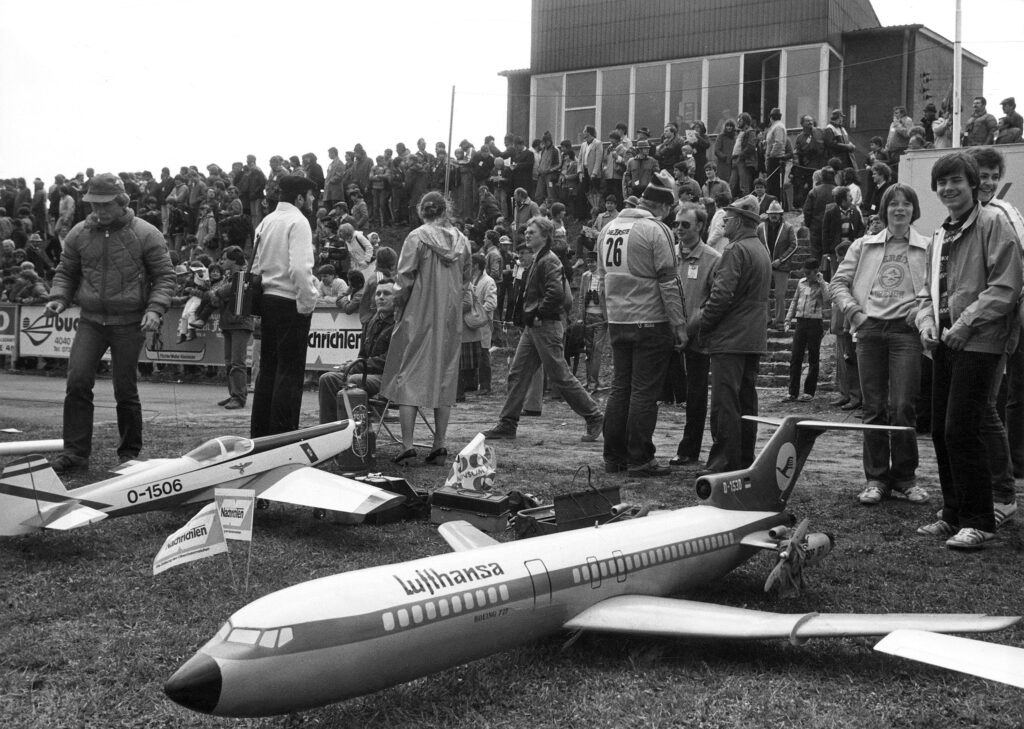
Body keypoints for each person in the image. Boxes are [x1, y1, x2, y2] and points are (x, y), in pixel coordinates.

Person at [915, 152, 1023, 550]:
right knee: (941, 431)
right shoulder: (939, 234)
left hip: (980, 342)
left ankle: (980, 520)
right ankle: (953, 513)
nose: (948, 189)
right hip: (945, 342)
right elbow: (926, 293)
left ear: (973, 184)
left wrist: (964, 325)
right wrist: (927, 324)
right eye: (942, 182)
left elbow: (1006, 287)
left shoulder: (994, 223)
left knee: (964, 428)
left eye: (956, 181)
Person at [45, 173, 175, 473]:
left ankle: (129, 454)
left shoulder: (147, 233)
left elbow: (165, 277)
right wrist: (59, 298)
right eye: (94, 204)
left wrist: (155, 309)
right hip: (91, 320)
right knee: (77, 382)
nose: (99, 210)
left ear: (122, 202)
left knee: (125, 388)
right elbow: (66, 272)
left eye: (105, 205)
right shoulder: (79, 233)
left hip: (129, 322)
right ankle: (75, 453)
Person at [829, 183, 930, 506]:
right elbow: (838, 283)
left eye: (906, 203)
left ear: (914, 209)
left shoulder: (927, 247)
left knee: (902, 406)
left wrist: (921, 310)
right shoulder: (863, 245)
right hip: (869, 330)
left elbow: (936, 288)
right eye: (893, 204)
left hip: (906, 333)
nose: (900, 209)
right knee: (873, 408)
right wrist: (855, 313)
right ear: (884, 210)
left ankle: (905, 478)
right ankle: (876, 479)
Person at [483, 216, 603, 442]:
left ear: (545, 236)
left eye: (532, 232)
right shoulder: (540, 258)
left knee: (560, 375)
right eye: (527, 231)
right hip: (535, 327)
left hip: (545, 325)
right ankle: (507, 423)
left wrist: (539, 313)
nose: (527, 235)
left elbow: (556, 293)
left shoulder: (548, 260)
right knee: (518, 373)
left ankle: (594, 415)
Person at [598, 173, 687, 476]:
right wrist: (679, 323)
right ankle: (640, 458)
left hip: (618, 319)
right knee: (643, 392)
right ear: (664, 206)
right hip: (650, 319)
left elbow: (601, 278)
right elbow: (669, 282)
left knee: (619, 388)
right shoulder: (656, 229)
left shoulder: (608, 228)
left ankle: (614, 456)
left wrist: (608, 315)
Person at [380, 191, 472, 464]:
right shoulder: (463, 241)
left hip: (417, 315)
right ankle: (439, 444)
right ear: (445, 210)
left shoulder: (416, 237)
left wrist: (397, 306)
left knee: (408, 376)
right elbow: (466, 279)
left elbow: (404, 278)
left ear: (422, 211)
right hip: (449, 318)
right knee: (445, 376)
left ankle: (408, 445)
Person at [688, 194, 771, 474]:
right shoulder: (760, 249)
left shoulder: (735, 250)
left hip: (731, 338)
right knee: (746, 402)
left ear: (740, 221)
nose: (723, 222)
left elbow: (721, 295)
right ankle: (744, 460)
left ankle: (723, 462)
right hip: (752, 338)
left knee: (725, 403)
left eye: (728, 218)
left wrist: (704, 325)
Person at [967, 145, 1024, 515]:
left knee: (986, 407)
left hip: (996, 323)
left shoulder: (1002, 213)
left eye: (993, 176)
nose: (987, 182)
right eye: (982, 175)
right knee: (977, 409)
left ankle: (1002, 493)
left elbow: (1015, 273)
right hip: (972, 324)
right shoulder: (969, 216)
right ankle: (984, 488)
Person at [249, 175, 319, 437]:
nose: (312, 200)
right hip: (290, 301)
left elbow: (256, 266)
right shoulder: (298, 222)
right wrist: (307, 303)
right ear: (299, 198)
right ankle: (284, 434)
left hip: (268, 299)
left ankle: (261, 433)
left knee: (268, 369)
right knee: (290, 372)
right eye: (310, 195)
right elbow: (300, 269)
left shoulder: (266, 221)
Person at [670, 202, 721, 467]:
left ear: (700, 226)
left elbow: (714, 300)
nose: (679, 229)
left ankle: (689, 450)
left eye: (685, 224)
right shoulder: (668, 254)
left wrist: (690, 327)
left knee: (696, 395)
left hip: (697, 338)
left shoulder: (713, 259)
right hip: (666, 335)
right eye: (676, 224)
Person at [318, 280, 397, 421]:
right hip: (367, 373)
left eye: (386, 293)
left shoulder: (400, 324)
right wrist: (352, 364)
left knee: (354, 380)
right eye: (378, 294)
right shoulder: (371, 321)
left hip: (391, 379)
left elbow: (390, 361)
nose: (381, 297)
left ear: (397, 298)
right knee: (327, 378)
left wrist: (356, 366)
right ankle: (330, 428)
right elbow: (363, 355)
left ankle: (357, 430)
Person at [784, 258, 826, 402]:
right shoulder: (801, 283)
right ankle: (792, 392)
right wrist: (788, 319)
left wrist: (821, 282)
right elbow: (794, 301)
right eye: (805, 272)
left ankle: (809, 391)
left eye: (809, 273)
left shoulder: (822, 284)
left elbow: (827, 300)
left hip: (815, 321)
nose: (806, 275)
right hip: (801, 321)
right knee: (796, 356)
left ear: (816, 271)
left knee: (813, 357)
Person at [757, 200, 798, 328]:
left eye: (776, 213)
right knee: (764, 294)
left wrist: (781, 260)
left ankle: (780, 321)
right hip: (765, 265)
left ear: (781, 214)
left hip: (782, 267)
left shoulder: (788, 227)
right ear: (768, 214)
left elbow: (794, 245)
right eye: (771, 213)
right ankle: (767, 320)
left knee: (780, 295)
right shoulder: (760, 228)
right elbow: (756, 244)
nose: (773, 216)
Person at [578, 250, 607, 393]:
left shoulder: (605, 277)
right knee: (588, 350)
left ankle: (594, 382)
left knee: (597, 350)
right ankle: (589, 379)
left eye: (593, 262)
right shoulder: (585, 276)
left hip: (601, 318)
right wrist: (580, 317)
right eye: (588, 262)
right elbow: (581, 298)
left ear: (598, 262)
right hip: (588, 316)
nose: (590, 264)